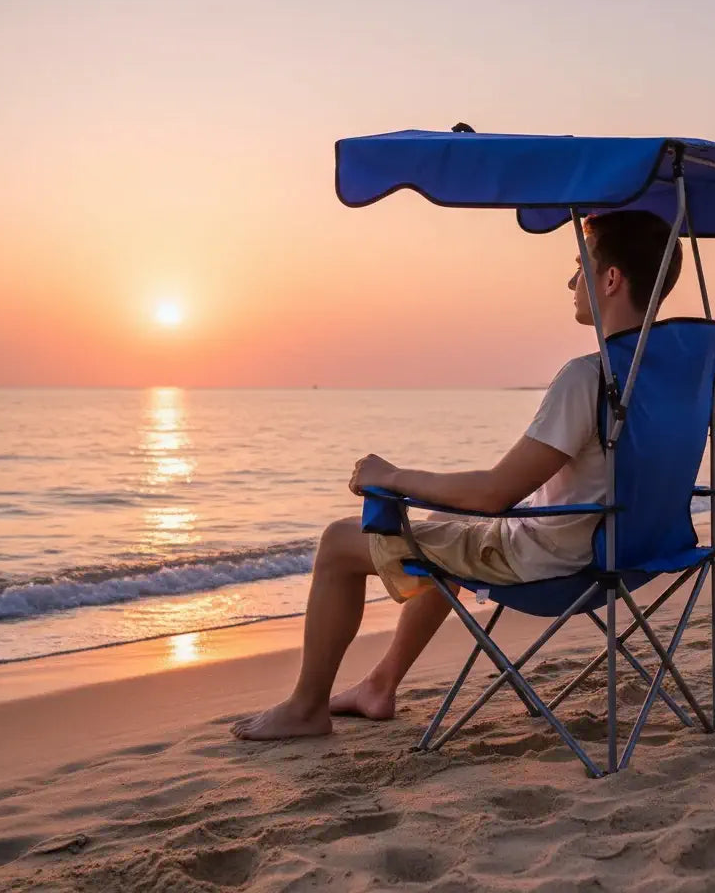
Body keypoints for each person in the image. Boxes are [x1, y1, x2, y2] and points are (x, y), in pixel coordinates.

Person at [231, 211, 682, 740]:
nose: (570, 281)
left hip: (554, 560)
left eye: (580, 268)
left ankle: (307, 707)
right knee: (445, 524)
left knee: (337, 544)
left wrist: (393, 475)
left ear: (610, 279)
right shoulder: (665, 378)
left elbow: (495, 493)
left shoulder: (588, 377)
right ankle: (380, 684)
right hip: (632, 551)